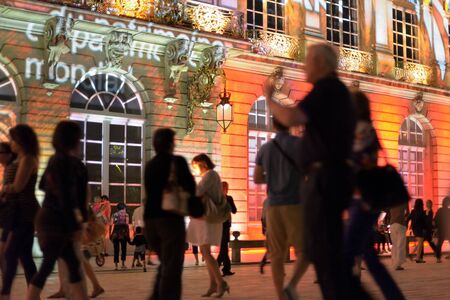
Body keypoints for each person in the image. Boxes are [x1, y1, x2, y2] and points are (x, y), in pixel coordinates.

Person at [265, 43, 358, 299]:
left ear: (322, 64)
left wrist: (269, 99)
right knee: (325, 252)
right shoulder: (336, 90)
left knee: (325, 252)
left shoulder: (327, 88)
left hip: (325, 179)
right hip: (329, 178)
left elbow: (292, 118)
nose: (304, 65)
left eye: (308, 61)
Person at [343, 90, 405, 300]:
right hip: (366, 201)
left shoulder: (360, 130)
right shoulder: (368, 129)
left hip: (363, 201)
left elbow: (358, 162)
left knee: (345, 257)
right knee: (370, 258)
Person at [26, 121, 88, 300]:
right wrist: (75, 225)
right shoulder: (69, 164)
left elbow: (42, 185)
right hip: (57, 220)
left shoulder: (55, 160)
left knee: (69, 263)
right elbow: (67, 198)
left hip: (47, 217)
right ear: (74, 140)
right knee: (50, 264)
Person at [254, 117, 309, 300]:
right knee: (305, 250)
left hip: (273, 206)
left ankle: (281, 296)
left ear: (273, 125)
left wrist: (273, 178)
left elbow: (257, 178)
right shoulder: (300, 145)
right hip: (295, 204)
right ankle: (291, 285)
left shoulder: (265, 149)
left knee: (276, 255)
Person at [144, 128, 198, 300]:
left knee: (166, 264)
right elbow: (190, 187)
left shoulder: (150, 165)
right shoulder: (177, 162)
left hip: (150, 221)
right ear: (170, 143)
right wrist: (196, 209)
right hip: (170, 219)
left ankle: (155, 297)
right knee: (172, 267)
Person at [1, 125, 40, 300]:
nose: (11, 143)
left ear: (21, 141)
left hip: (23, 212)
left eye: (13, 139)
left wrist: (4, 190)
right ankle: (34, 295)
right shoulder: (20, 158)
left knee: (10, 254)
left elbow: (18, 186)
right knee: (25, 257)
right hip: (15, 212)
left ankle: (5, 294)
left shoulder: (29, 159)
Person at [187, 154, 230, 298]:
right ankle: (213, 284)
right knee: (204, 251)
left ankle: (220, 283)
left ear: (202, 163)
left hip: (208, 218)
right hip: (205, 217)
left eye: (195, 165)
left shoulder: (210, 175)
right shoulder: (210, 176)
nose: (195, 169)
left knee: (205, 252)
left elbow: (197, 192)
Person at [0, 142, 17, 274]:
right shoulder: (8, 168)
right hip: (10, 215)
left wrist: (5, 191)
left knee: (5, 252)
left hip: (14, 215)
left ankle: (6, 285)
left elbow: (15, 189)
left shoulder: (12, 168)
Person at [217, 181, 237, 277]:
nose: (225, 189)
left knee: (224, 247)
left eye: (225, 188)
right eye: (223, 188)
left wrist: (228, 203)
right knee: (224, 248)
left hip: (226, 225)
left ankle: (225, 269)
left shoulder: (229, 198)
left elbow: (234, 210)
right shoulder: (217, 199)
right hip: (219, 225)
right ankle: (220, 267)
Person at [389, 203, 409, 270]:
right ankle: (398, 264)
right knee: (400, 244)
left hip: (392, 224)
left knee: (394, 245)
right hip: (401, 224)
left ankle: (394, 263)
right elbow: (407, 213)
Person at [110, 202, 130, 270]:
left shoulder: (114, 214)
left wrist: (110, 233)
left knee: (116, 249)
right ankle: (123, 264)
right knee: (123, 249)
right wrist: (128, 234)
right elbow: (127, 225)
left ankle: (116, 266)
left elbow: (111, 224)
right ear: (124, 207)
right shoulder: (126, 215)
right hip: (123, 232)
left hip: (115, 232)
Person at [407, 199, 427, 263]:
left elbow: (408, 218)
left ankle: (413, 255)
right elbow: (424, 221)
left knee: (420, 243)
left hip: (414, 228)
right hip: (420, 228)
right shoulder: (422, 211)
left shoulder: (413, 211)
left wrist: (407, 225)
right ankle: (417, 258)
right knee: (420, 243)